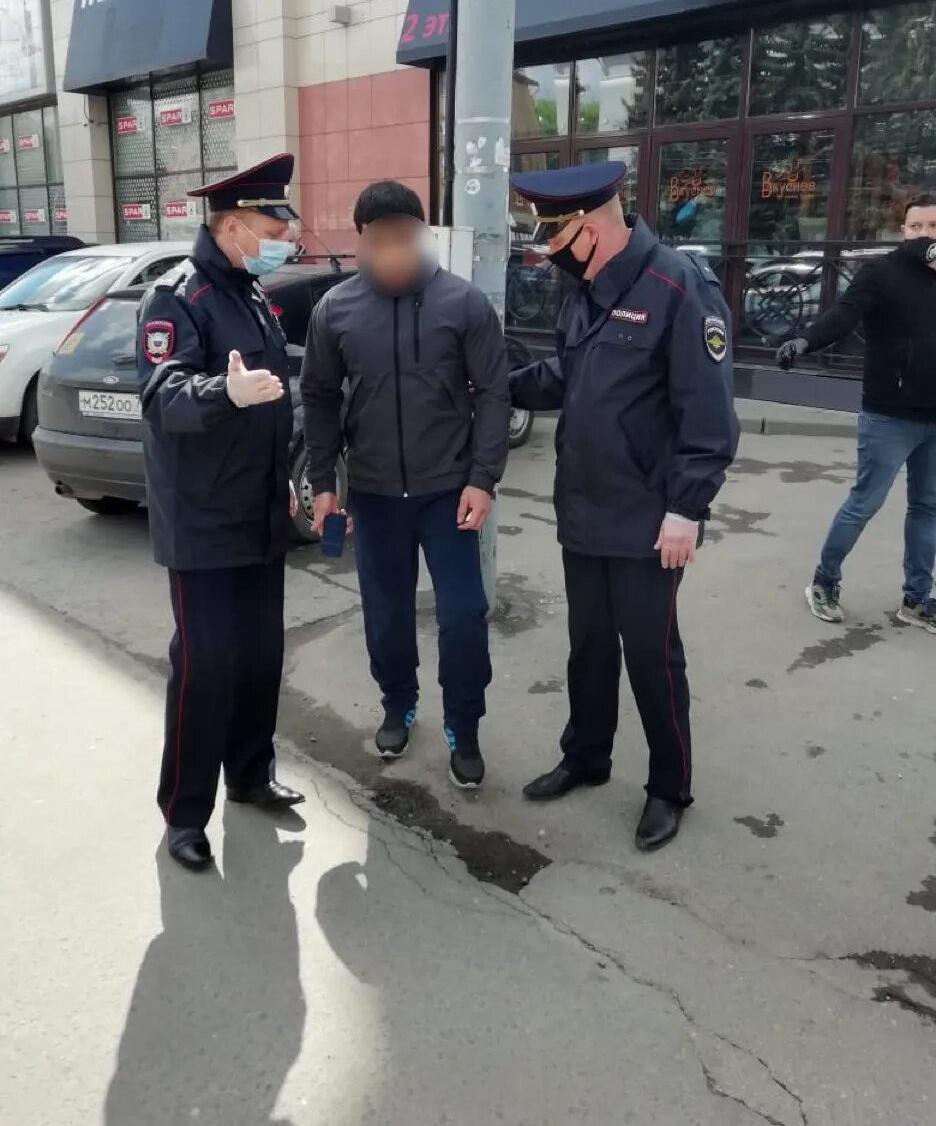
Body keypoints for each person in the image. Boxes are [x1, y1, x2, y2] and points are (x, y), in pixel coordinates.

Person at [509, 163, 739, 851]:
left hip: (648, 518)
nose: (550, 253)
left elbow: (708, 417)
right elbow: (568, 375)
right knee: (588, 647)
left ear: (590, 228)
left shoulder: (679, 286)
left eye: (556, 239)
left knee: (650, 653)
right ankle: (587, 756)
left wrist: (686, 510)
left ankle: (669, 786)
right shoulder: (581, 288)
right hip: (584, 509)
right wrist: (501, 386)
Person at [300, 180, 510, 789]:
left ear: (422, 235)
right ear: (361, 243)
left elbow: (495, 394)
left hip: (449, 495)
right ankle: (398, 702)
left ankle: (464, 727)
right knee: (386, 615)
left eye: (403, 237)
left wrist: (483, 478)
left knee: (464, 615)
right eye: (379, 240)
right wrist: (324, 482)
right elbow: (317, 397)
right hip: (375, 495)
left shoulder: (464, 305)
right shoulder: (334, 310)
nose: (392, 250)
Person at [137, 153, 305, 873]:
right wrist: (221, 395)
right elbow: (163, 396)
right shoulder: (178, 298)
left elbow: (275, 397)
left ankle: (249, 773)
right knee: (204, 664)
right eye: (274, 225)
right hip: (203, 521)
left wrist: (288, 481)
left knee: (261, 654)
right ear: (233, 225)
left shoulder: (251, 293)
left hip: (260, 511)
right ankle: (184, 812)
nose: (285, 238)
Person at [777, 196, 936, 632]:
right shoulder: (881, 273)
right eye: (916, 226)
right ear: (903, 230)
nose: (925, 234)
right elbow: (845, 314)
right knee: (864, 503)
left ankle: (917, 598)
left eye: (933, 226)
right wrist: (806, 341)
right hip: (890, 414)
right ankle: (824, 582)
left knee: (927, 508)